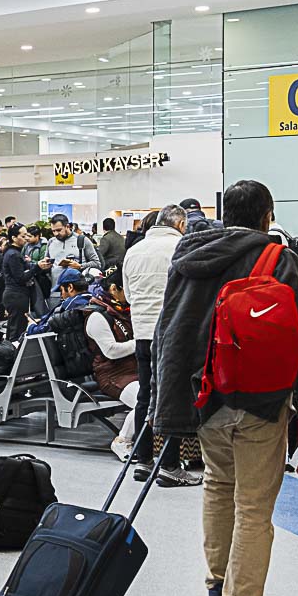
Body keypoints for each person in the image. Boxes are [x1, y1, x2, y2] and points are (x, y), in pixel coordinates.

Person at [152, 180, 298, 596]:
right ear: (267, 215)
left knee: (217, 487)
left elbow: (169, 332)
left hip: (206, 396)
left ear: (221, 211)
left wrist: (166, 405)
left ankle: (217, 589)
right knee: (254, 506)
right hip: (263, 400)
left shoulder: (189, 257)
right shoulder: (278, 259)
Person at [123, 206, 194, 483]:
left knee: (145, 396)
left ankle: (142, 461)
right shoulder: (179, 246)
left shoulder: (134, 251)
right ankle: (170, 466)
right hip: (171, 333)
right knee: (171, 398)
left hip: (141, 332)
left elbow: (128, 296)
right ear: (178, 222)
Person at [83, 267, 140, 458]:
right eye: (127, 290)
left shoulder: (123, 311)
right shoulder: (97, 316)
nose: (130, 295)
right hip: (113, 375)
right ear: (114, 288)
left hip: (135, 369)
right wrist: (141, 342)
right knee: (145, 401)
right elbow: (111, 351)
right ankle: (122, 440)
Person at [37, 213, 98, 300]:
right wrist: (45, 265)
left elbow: (97, 263)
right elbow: (47, 263)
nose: (56, 233)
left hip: (77, 293)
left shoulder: (82, 240)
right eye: (53, 231)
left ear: (67, 226)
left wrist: (80, 266)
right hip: (55, 293)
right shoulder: (51, 242)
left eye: (59, 230)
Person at [0, 224, 38, 326]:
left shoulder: (13, 252)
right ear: (14, 238)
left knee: (15, 327)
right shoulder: (13, 254)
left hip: (15, 295)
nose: (26, 239)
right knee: (17, 329)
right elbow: (20, 278)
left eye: (27, 236)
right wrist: (37, 267)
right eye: (23, 236)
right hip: (16, 296)